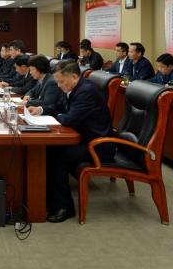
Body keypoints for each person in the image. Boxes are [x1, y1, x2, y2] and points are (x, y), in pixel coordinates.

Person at [27, 61, 115, 222]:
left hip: (97, 146)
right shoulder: (71, 87)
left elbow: (69, 119)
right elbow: (59, 106)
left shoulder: (86, 92)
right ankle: (46, 198)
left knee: (56, 156)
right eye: (57, 82)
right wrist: (41, 110)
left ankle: (64, 208)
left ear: (74, 77)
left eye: (61, 82)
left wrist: (56, 117)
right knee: (48, 149)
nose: (59, 85)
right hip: (83, 138)